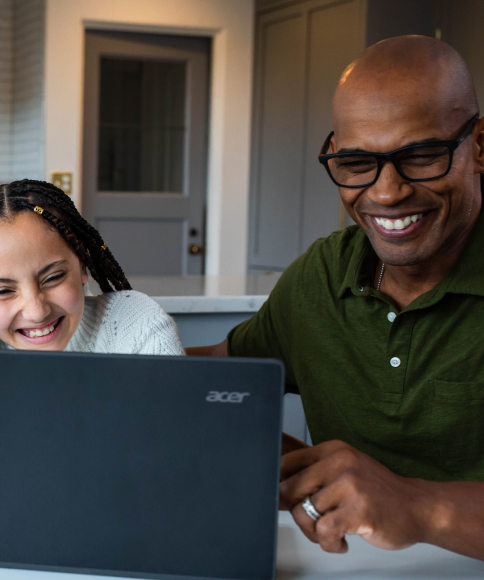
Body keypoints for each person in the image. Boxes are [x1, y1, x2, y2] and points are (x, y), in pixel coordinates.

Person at [188, 35, 484, 560]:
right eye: (354, 162)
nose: (386, 192)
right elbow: (223, 378)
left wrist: (417, 505)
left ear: (478, 146)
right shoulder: (321, 275)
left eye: (420, 156)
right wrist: (80, 343)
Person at [0, 179, 184, 526]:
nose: (36, 310)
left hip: (123, 522)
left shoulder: (137, 322)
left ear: (82, 266)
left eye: (52, 278)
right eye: (3, 290)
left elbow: (174, 441)